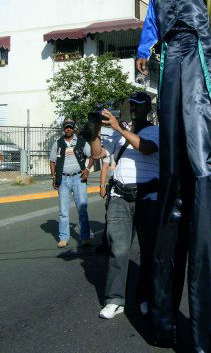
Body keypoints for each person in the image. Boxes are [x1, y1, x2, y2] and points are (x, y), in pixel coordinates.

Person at [136, 0, 211, 351]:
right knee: (174, 166)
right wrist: (144, 51)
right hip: (170, 62)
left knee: (197, 161)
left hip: (196, 54)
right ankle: (162, 316)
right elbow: (151, 25)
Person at [90, 92, 159, 319]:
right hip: (120, 196)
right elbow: (99, 153)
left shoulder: (156, 130)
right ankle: (115, 299)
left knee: (149, 251)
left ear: (148, 109)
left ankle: (146, 297)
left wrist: (119, 128)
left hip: (148, 198)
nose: (136, 109)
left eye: (140, 106)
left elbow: (146, 148)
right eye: (133, 106)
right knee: (118, 248)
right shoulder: (121, 132)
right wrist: (94, 131)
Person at [49, 118, 93, 248]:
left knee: (82, 209)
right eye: (66, 127)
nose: (68, 129)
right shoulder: (58, 143)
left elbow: (92, 155)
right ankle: (63, 238)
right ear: (63, 128)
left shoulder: (81, 142)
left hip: (79, 178)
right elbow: (52, 161)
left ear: (74, 128)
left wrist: (87, 169)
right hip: (63, 180)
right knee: (63, 211)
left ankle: (85, 237)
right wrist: (53, 177)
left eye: (71, 127)